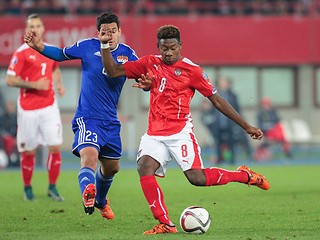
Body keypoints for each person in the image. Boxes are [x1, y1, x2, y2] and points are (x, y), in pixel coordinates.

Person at [98, 24, 270, 234]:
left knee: (197, 179)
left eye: (172, 48)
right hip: (154, 132)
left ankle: (244, 176)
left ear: (180, 46)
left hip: (180, 133)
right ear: (158, 47)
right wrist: (105, 45)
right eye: (164, 48)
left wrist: (247, 126)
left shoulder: (193, 71)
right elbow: (113, 70)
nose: (168, 53)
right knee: (144, 167)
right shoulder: (149, 63)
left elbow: (216, 100)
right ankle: (165, 223)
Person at [24, 12, 139, 218]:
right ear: (98, 33)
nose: (110, 35)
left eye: (113, 31)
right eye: (105, 31)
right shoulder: (87, 46)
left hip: (110, 121)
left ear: (120, 32)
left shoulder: (128, 53)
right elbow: (60, 54)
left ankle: (101, 201)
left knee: (112, 168)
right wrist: (38, 46)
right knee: (90, 157)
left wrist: (148, 84)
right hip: (87, 117)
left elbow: (143, 74)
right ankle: (88, 191)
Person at [6, 14, 65, 202]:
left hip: (49, 106)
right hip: (28, 109)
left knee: (55, 147)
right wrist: (34, 85)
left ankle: (52, 187)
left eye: (38, 25)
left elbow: (55, 67)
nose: (35, 29)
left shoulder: (48, 50)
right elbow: (10, 79)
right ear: (26, 30)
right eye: (31, 26)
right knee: (29, 151)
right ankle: (28, 188)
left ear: (43, 29)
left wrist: (59, 84)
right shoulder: (21, 53)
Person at [200, 76, 251, 164]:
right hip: (219, 123)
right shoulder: (215, 94)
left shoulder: (233, 95)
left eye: (224, 83)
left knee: (231, 141)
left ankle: (232, 159)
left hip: (229, 122)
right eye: (221, 83)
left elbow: (236, 109)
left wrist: (238, 122)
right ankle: (220, 158)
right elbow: (213, 108)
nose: (222, 85)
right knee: (218, 142)